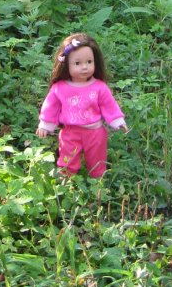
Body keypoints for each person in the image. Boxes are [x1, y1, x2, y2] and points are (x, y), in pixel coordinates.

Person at [36, 32, 127, 178]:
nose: (84, 67)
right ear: (66, 65)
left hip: (95, 132)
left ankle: (98, 182)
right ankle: (67, 181)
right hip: (70, 131)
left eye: (89, 62)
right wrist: (45, 124)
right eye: (77, 63)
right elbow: (50, 107)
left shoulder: (99, 87)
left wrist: (117, 121)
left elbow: (109, 105)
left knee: (97, 159)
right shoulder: (60, 88)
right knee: (67, 158)